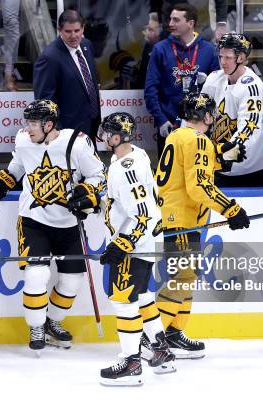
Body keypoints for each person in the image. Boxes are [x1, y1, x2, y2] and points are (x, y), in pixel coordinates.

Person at [0, 99, 105, 353]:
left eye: (33, 124)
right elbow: (18, 165)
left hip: (69, 222)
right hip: (33, 220)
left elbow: (98, 174)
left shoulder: (76, 143)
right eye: (27, 123)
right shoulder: (23, 140)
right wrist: (4, 180)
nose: (28, 128)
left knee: (72, 281)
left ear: (49, 124)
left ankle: (53, 322)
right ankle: (37, 325)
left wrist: (86, 192)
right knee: (36, 274)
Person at [155, 92, 250, 358]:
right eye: (210, 113)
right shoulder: (197, 139)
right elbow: (199, 186)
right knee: (182, 278)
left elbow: (193, 164)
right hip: (182, 220)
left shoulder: (178, 135)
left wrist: (219, 154)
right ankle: (153, 338)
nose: (213, 117)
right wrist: (230, 209)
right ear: (204, 115)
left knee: (186, 278)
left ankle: (173, 332)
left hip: (178, 217)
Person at [97, 112, 175, 386]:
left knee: (123, 299)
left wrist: (123, 243)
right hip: (148, 240)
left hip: (136, 243)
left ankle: (131, 363)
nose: (103, 137)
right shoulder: (137, 155)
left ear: (117, 138)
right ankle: (160, 350)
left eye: (107, 133)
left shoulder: (124, 167)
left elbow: (141, 211)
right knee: (142, 296)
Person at [202, 33, 263, 187]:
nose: (222, 62)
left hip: (254, 170)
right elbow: (199, 115)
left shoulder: (252, 86)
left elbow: (249, 127)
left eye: (228, 57)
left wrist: (228, 152)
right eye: (220, 56)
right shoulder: (214, 78)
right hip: (223, 168)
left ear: (241, 58)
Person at [144, 3, 219, 156]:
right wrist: (161, 120)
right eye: (170, 19)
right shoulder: (160, 49)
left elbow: (218, 91)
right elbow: (151, 89)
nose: (171, 24)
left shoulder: (209, 50)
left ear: (190, 23)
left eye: (176, 20)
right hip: (170, 125)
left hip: (200, 127)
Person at [33, 10, 101, 145]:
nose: (73, 35)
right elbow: (45, 101)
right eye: (68, 31)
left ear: (83, 28)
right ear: (59, 30)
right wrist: (58, 131)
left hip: (91, 124)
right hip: (67, 132)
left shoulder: (87, 45)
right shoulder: (49, 57)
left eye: (77, 30)